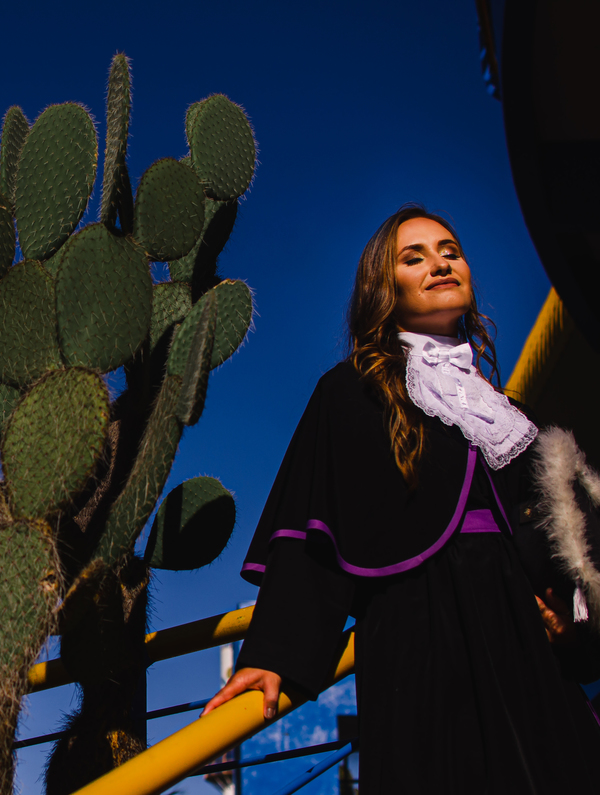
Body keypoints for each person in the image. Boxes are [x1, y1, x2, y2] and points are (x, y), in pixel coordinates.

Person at [201, 205, 600, 793]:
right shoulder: (349, 392)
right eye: (413, 258)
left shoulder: (511, 415)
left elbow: (566, 545)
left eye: (450, 251)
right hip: (418, 634)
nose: (439, 263)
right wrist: (275, 652)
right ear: (383, 288)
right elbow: (313, 530)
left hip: (524, 642)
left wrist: (574, 621)